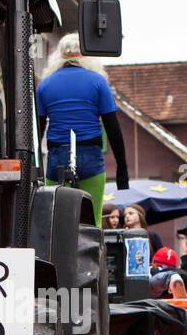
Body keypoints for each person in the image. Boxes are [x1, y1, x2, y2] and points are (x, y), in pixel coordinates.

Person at [36, 34, 129, 223]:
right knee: (92, 220)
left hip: (57, 158)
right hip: (90, 157)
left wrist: (34, 166)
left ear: (59, 55)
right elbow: (113, 128)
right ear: (86, 55)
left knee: (57, 221)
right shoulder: (98, 82)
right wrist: (122, 170)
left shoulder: (44, 86)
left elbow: (36, 130)